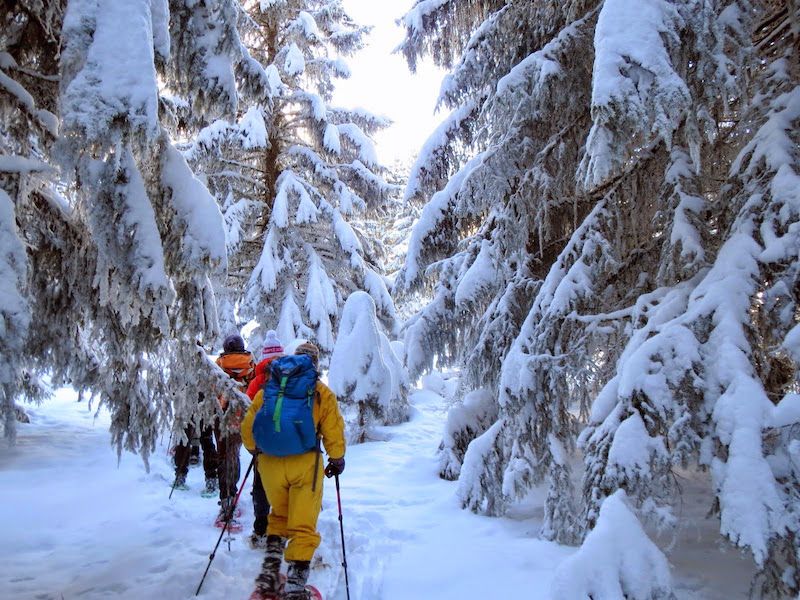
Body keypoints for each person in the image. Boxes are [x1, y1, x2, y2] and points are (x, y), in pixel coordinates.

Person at [241, 342, 346, 600]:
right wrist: (337, 459)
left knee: (279, 516)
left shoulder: (271, 388)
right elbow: (333, 430)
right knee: (303, 526)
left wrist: (256, 450)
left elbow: (248, 426)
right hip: (305, 464)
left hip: (270, 465)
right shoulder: (321, 392)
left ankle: (269, 578)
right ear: (314, 364)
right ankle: (295, 589)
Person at [245, 330, 285, 548]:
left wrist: (252, 445)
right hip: (287, 441)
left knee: (261, 485)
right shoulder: (291, 378)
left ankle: (260, 528)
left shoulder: (257, 381)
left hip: (263, 444)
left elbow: (248, 413)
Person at [214, 333, 256, 527]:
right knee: (256, 456)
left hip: (224, 418)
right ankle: (260, 495)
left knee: (227, 457)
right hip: (246, 417)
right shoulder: (251, 365)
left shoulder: (218, 366)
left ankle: (227, 500)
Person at [173, 392, 218, 493]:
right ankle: (210, 478)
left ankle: (210, 477)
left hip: (202, 403)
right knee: (187, 439)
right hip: (192, 401)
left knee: (203, 439)